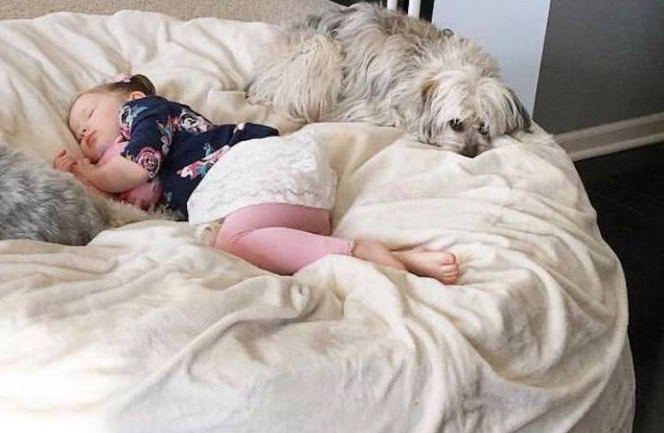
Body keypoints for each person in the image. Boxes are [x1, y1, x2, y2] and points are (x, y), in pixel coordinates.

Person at [54, 74, 458, 282]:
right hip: (280, 205)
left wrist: (93, 172)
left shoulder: (145, 115)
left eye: (88, 114)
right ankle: (398, 260)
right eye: (77, 135)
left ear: (130, 98)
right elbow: (134, 202)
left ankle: (363, 253)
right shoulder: (125, 152)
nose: (84, 132)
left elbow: (140, 164)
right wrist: (83, 184)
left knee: (234, 242)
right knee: (255, 249)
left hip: (255, 166)